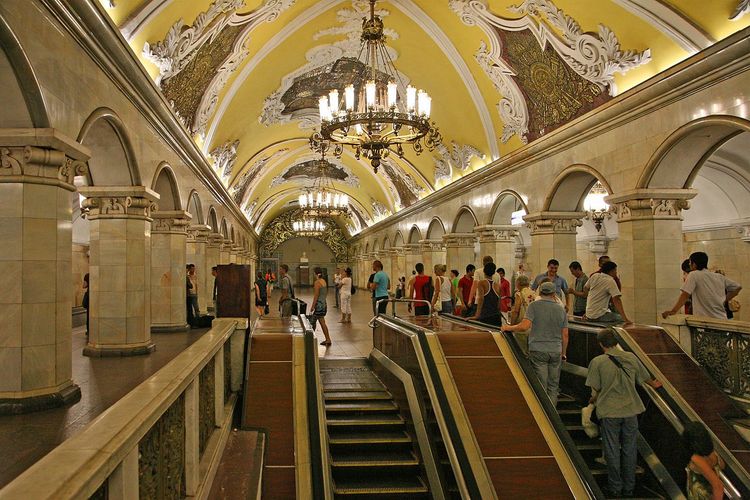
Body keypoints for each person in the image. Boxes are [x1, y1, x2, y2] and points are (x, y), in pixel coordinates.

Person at [585, 330, 662, 497]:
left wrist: (593, 399)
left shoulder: (597, 362)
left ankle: (615, 488)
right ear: (616, 341)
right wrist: (654, 384)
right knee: (630, 449)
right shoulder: (631, 357)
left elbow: (596, 388)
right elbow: (645, 378)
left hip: (609, 412)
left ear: (601, 344)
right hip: (631, 410)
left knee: (612, 450)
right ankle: (629, 488)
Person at [503, 281, 568, 405]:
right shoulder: (561, 310)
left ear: (540, 292)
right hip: (556, 350)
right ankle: (553, 414)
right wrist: (563, 353)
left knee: (541, 385)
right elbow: (565, 335)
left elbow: (524, 326)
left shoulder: (534, 306)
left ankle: (544, 415)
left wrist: (508, 328)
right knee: (553, 386)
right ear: (554, 293)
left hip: (538, 349)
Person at [662, 251, 742, 320]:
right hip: (721, 318)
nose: (690, 266)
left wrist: (673, 311)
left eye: (690, 263)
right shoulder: (718, 276)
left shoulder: (694, 274)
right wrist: (725, 299)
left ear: (694, 264)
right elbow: (737, 287)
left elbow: (685, 294)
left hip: (705, 319)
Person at [683, 421, 725, 500]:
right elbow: (722, 466)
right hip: (709, 493)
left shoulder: (697, 459)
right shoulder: (713, 453)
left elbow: (718, 486)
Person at [471, 262, 503, 327]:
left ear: (484, 271)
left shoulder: (481, 283)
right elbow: (499, 304)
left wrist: (477, 315)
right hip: (496, 317)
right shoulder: (498, 286)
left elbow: (481, 299)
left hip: (486, 316)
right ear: (494, 273)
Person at [509, 274, 535, 354]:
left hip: (521, 326)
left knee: (522, 352)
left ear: (518, 284)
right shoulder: (534, 293)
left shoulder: (519, 294)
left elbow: (516, 311)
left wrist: (511, 326)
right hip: (532, 327)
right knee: (530, 352)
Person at [311, 267, 332, 346]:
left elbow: (316, 295)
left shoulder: (317, 282)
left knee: (312, 322)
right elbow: (325, 293)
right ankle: (328, 339)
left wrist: (313, 306)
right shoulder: (324, 281)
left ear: (315, 273)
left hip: (319, 305)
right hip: (324, 304)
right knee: (322, 322)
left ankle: (310, 338)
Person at [82, 273, 90, 338]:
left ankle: (89, 330)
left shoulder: (87, 275)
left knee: (89, 315)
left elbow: (84, 286)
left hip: (89, 297)